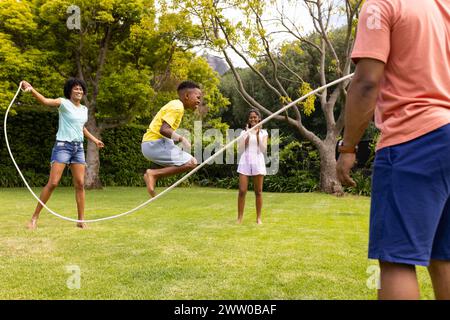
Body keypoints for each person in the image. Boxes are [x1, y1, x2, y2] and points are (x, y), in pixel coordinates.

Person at [336, 0, 450, 300]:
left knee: (396, 259)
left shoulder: (382, 4)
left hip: (414, 139)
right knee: (445, 255)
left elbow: (365, 83)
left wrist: (348, 148)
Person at [21, 78, 105, 230]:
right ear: (70, 91)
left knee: (80, 184)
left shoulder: (84, 110)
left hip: (78, 149)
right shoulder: (63, 103)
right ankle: (34, 218)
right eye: (75, 88)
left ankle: (80, 220)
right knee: (53, 183)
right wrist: (31, 89)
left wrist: (95, 140)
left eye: (81, 89)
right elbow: (46, 101)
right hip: (62, 147)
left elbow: (81, 128)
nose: (79, 91)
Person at [141, 81, 202, 197]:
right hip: (154, 144)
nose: (199, 101)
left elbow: (165, 131)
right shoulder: (177, 107)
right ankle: (153, 174)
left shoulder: (176, 105)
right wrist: (182, 139)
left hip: (154, 143)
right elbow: (163, 130)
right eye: (197, 97)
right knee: (191, 163)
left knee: (191, 161)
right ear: (187, 96)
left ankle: (153, 174)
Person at [236, 109, 268, 224]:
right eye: (251, 117)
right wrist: (247, 136)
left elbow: (263, 149)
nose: (253, 119)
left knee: (258, 191)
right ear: (248, 120)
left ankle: (258, 218)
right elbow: (239, 149)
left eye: (255, 117)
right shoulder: (243, 132)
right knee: (242, 191)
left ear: (259, 118)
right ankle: (239, 218)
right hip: (245, 161)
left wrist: (258, 135)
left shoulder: (264, 133)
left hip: (258, 161)